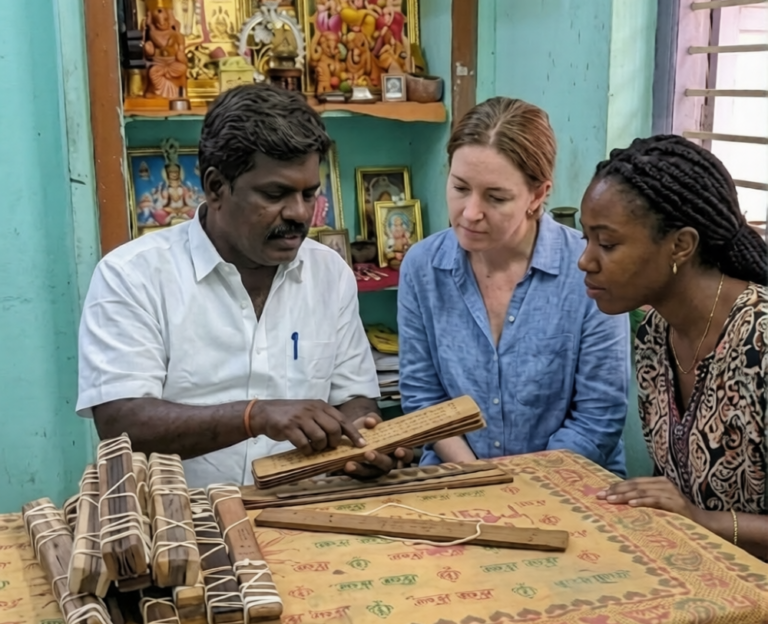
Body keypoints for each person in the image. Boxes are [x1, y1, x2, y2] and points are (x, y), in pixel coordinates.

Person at [77, 84, 412, 487]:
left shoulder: (329, 273)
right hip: (180, 523)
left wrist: (366, 439)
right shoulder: (133, 275)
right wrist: (254, 416)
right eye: (275, 194)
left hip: (302, 514)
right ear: (216, 187)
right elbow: (121, 424)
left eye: (310, 194)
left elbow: (354, 398)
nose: (299, 213)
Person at [398, 97, 629, 474]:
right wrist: (476, 475)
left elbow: (598, 417)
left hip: (571, 481)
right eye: (459, 188)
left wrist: (521, 489)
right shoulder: (423, 268)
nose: (471, 213)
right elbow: (423, 399)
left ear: (537, 195)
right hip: (457, 478)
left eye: (496, 197)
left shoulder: (587, 271)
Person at [580, 135, 767, 561]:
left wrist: (701, 519)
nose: (585, 261)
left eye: (607, 244)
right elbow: (671, 486)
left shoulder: (762, 339)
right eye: (586, 239)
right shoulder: (653, 334)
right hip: (705, 583)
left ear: (680, 245)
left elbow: (692, 511)